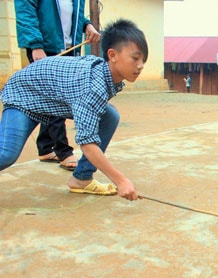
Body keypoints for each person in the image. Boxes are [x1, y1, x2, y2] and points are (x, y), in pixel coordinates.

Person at [0, 18, 148, 201]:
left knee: (109, 116)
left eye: (143, 59)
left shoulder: (104, 74)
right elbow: (87, 144)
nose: (140, 65)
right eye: (135, 58)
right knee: (6, 154)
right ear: (112, 55)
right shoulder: (93, 88)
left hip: (49, 98)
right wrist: (121, 180)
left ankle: (82, 178)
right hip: (22, 95)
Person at [14, 0, 101, 171]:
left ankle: (45, 147)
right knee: (60, 99)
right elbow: (25, 11)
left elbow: (70, 14)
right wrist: (35, 45)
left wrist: (87, 25)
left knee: (51, 100)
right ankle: (63, 151)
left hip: (70, 49)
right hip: (45, 49)